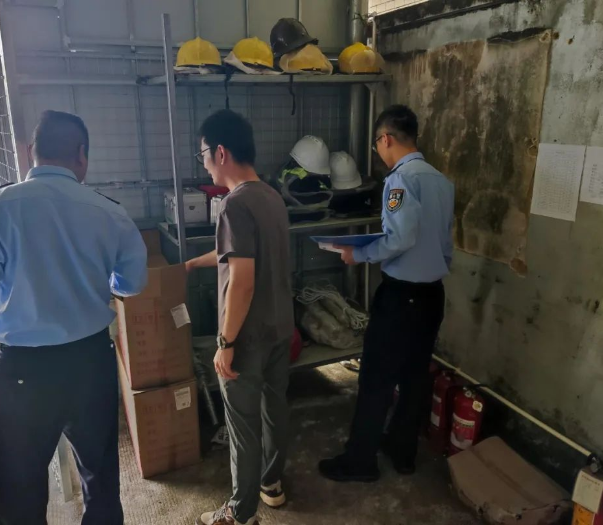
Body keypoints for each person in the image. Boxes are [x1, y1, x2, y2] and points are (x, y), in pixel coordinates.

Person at [0, 110, 148, 524]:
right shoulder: (110, 212)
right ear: (82, 155)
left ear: (31, 151)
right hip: (90, 365)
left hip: (21, 373)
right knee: (101, 485)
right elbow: (132, 283)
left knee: (19, 498)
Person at [319, 105, 454, 482]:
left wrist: (357, 253)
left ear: (386, 139)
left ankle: (360, 462)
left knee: (376, 378)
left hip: (401, 298)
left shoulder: (400, 181)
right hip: (432, 295)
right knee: (414, 377)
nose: (379, 152)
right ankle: (402, 451)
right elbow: (445, 246)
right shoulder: (441, 181)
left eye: (377, 144)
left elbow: (400, 238)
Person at [186, 110, 294, 525]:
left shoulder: (233, 205)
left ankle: (239, 511)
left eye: (203, 155)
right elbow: (237, 252)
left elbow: (242, 282)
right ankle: (272, 484)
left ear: (221, 152)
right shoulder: (270, 196)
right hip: (280, 327)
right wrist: (193, 263)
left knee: (242, 427)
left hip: (247, 337)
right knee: (274, 409)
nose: (205, 164)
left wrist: (225, 342)